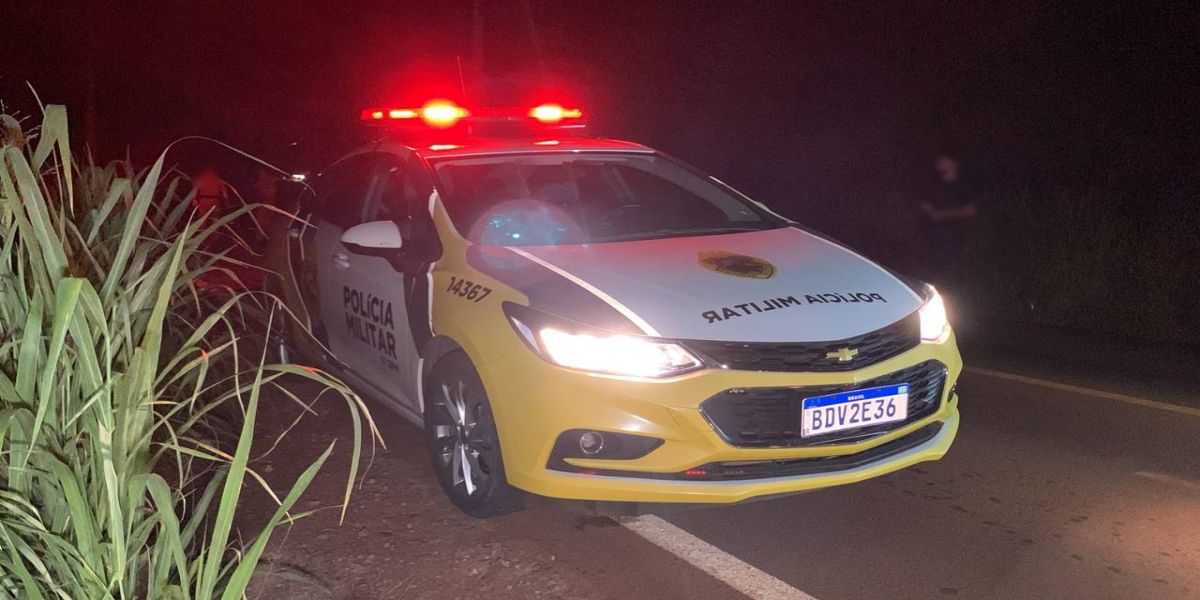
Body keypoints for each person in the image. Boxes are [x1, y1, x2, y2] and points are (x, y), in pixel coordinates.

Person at [920, 155, 978, 287]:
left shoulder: (964, 185)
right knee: (931, 267)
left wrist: (943, 214)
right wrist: (929, 211)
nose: (940, 163)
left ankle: (953, 290)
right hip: (931, 233)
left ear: (954, 163)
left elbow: (970, 210)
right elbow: (925, 202)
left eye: (944, 160)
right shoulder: (935, 183)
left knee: (951, 268)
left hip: (954, 234)